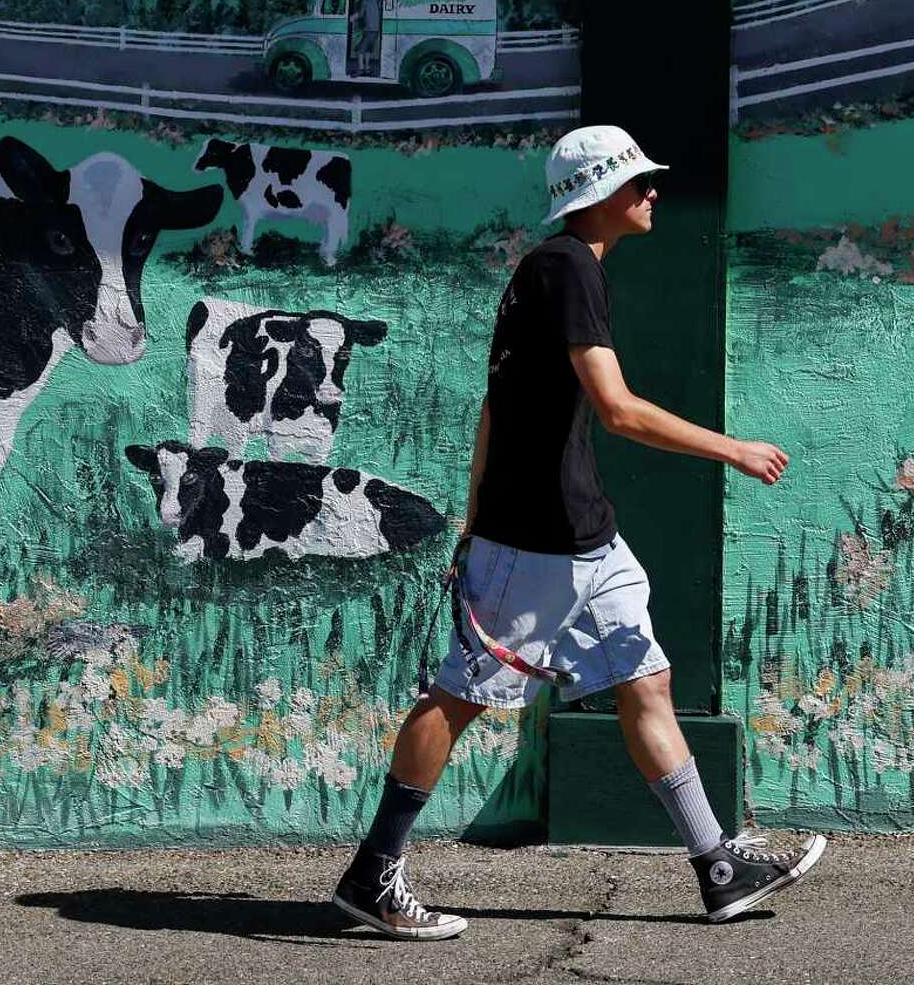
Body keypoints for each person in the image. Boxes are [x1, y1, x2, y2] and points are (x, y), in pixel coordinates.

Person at [331, 124, 827, 940]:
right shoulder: (564, 269)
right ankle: (372, 875)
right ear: (600, 194)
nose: (653, 192)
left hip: (585, 535)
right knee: (455, 698)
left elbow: (496, 406)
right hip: (537, 541)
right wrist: (732, 448)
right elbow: (618, 407)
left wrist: (468, 515)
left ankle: (718, 864)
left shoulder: (556, 271)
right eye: (639, 182)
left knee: (646, 682)